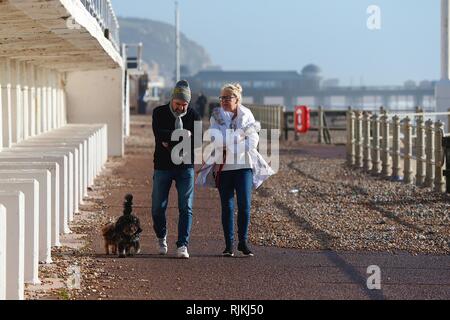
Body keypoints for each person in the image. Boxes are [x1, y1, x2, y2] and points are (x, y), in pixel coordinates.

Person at [196, 83, 274, 257]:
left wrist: (229, 144)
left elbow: (252, 141)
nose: (223, 101)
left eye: (227, 98)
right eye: (222, 97)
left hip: (244, 166)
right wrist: (238, 138)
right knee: (227, 206)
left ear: (237, 99)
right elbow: (215, 138)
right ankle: (228, 245)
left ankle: (243, 242)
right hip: (224, 168)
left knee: (245, 205)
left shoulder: (247, 115)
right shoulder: (216, 115)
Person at [151, 80, 201, 259]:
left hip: (185, 167)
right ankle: (161, 236)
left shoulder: (194, 116)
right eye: (178, 103)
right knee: (158, 207)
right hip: (163, 166)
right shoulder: (159, 112)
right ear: (172, 99)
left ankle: (182, 245)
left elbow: (197, 142)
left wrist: (170, 140)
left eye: (184, 104)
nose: (180, 107)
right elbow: (159, 134)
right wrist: (181, 136)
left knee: (186, 207)